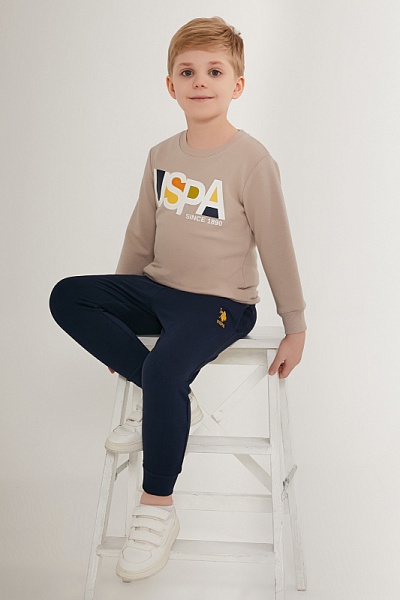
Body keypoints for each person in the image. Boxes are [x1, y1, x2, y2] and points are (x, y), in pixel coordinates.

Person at [49, 16, 306, 583]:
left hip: (219, 304)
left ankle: (157, 508)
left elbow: (276, 242)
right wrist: (120, 314)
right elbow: (140, 234)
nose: (200, 82)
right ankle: (162, 396)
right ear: (170, 85)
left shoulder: (252, 160)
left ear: (237, 84)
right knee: (67, 295)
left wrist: (296, 323)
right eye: (187, 72)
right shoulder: (161, 154)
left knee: (165, 369)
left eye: (215, 71)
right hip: (158, 289)